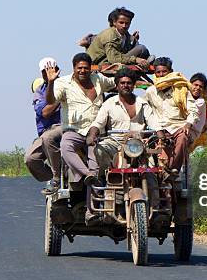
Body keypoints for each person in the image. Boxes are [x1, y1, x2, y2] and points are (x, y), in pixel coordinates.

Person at [44, 52, 116, 188]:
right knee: (65, 146)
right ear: (74, 68)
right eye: (79, 68)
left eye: (85, 68)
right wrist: (51, 82)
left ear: (90, 69)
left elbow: (116, 82)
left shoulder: (98, 79)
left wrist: (138, 81)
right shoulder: (62, 83)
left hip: (96, 132)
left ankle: (91, 206)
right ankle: (86, 173)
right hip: (74, 130)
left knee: (96, 163)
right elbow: (51, 100)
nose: (82, 71)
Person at [86, 67, 162, 170]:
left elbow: (154, 123)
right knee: (99, 149)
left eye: (129, 83)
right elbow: (98, 123)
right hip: (115, 142)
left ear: (133, 85)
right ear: (117, 86)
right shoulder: (109, 103)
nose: (125, 86)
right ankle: (109, 174)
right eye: (122, 83)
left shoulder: (142, 103)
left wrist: (160, 134)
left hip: (138, 143)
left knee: (151, 174)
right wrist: (92, 135)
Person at [144, 57, 199, 177]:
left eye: (164, 71)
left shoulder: (182, 89)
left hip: (177, 127)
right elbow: (145, 110)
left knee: (183, 137)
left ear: (171, 72)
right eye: (158, 72)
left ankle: (173, 170)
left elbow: (193, 110)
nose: (161, 75)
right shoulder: (150, 92)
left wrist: (188, 124)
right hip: (158, 129)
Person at [24, 57, 63, 195]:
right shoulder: (40, 91)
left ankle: (58, 178)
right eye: (45, 71)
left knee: (48, 137)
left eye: (53, 69)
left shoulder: (67, 84)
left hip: (66, 127)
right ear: (42, 74)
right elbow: (45, 112)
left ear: (58, 70)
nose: (49, 73)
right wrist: (59, 99)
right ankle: (55, 176)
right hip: (48, 129)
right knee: (31, 158)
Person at [85, 7, 152, 66]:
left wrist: (133, 41)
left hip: (112, 61)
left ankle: (150, 63)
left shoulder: (125, 34)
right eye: (121, 22)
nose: (124, 26)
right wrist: (135, 60)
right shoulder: (110, 36)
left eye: (127, 23)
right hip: (102, 63)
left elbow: (124, 52)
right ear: (114, 22)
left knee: (141, 48)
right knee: (141, 48)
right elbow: (113, 59)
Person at [188, 72, 207, 151]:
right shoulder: (181, 99)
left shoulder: (203, 104)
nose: (198, 88)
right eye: (195, 85)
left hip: (191, 134)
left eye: (201, 86)